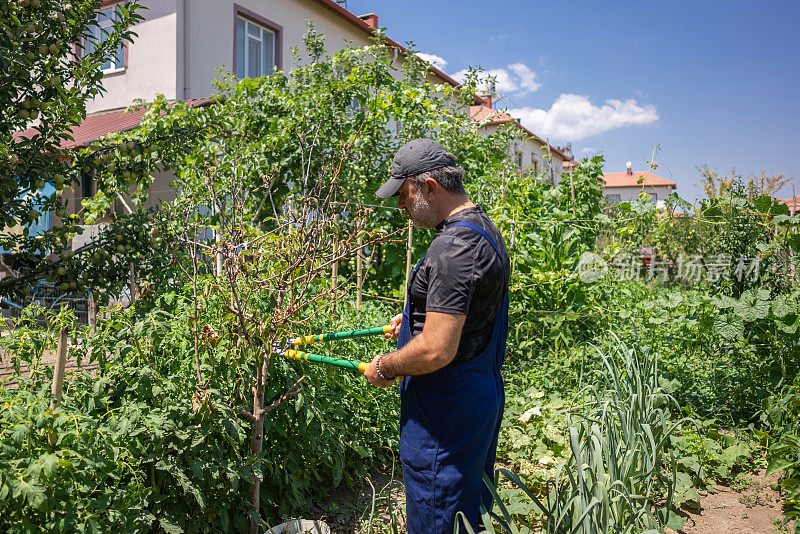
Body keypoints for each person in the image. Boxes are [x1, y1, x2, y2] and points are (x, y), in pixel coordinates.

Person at [364, 138, 510, 534]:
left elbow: (436, 350)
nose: (401, 206)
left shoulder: (453, 249)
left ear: (429, 186)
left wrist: (386, 366)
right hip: (476, 397)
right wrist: (416, 315)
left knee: (439, 518)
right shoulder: (481, 229)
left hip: (445, 414)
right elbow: (470, 308)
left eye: (404, 194)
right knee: (466, 514)